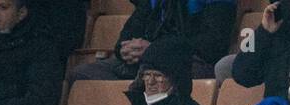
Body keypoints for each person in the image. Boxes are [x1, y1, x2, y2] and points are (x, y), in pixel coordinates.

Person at [71, 0, 235, 81]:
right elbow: (128, 33)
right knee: (82, 73)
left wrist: (155, 50)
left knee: (163, 77)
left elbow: (212, 45)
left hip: (186, 61)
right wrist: (124, 50)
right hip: (143, 62)